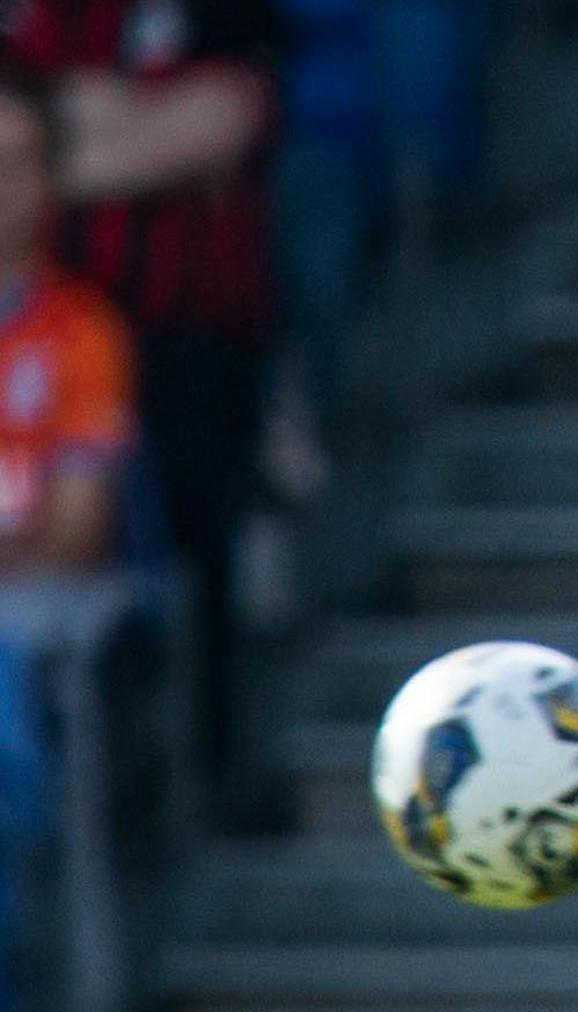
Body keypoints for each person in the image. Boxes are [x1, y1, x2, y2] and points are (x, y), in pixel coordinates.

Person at [5, 0, 276, 831]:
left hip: (186, 338)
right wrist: (128, 121)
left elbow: (231, 113)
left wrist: (75, 119)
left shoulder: (81, 336)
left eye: (18, 163)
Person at [0, 62, 129, 578]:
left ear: (49, 181)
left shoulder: (84, 330)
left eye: (14, 163)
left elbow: (75, 539)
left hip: (29, 628)